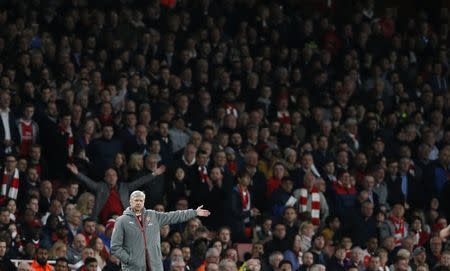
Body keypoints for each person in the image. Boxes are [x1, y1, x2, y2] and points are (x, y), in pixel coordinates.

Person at [111, 190, 210, 270]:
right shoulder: (121, 221)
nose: (138, 203)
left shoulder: (153, 216)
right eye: (136, 200)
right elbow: (115, 247)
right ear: (130, 202)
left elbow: (174, 216)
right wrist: (130, 260)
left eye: (141, 200)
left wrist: (194, 212)